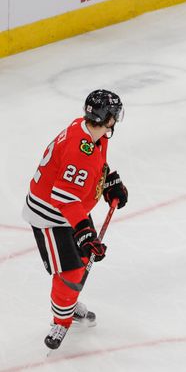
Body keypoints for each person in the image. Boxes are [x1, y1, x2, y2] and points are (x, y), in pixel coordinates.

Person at [22, 90, 128, 350]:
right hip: (51, 215)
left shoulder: (90, 133)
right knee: (69, 271)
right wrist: (84, 232)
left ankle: (67, 304)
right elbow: (64, 198)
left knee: (83, 259)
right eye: (114, 115)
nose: (115, 120)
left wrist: (108, 181)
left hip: (73, 209)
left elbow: (94, 165)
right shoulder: (80, 149)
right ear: (106, 117)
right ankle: (62, 320)